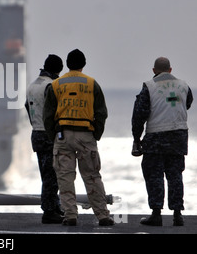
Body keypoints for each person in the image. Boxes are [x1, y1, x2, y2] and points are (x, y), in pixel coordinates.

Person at [43, 49, 114, 226]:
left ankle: (70, 216)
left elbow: (47, 115)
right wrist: (95, 134)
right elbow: (101, 112)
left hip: (63, 135)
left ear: (67, 64)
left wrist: (54, 137)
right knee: (92, 176)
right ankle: (103, 216)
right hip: (86, 135)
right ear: (83, 64)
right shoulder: (91, 84)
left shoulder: (56, 85)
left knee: (65, 178)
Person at [131, 57, 193, 226]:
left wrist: (137, 138)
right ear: (171, 70)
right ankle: (177, 214)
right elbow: (187, 104)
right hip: (179, 136)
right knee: (175, 175)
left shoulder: (149, 86)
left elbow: (139, 114)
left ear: (154, 71)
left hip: (156, 137)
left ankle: (156, 213)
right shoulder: (184, 85)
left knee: (154, 175)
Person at [25, 54, 64, 224]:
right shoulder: (51, 86)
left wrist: (36, 124)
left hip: (36, 133)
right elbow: (54, 110)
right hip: (49, 134)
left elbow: (27, 107)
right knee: (52, 176)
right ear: (57, 70)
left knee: (46, 173)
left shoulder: (33, 85)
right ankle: (49, 211)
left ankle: (54, 207)